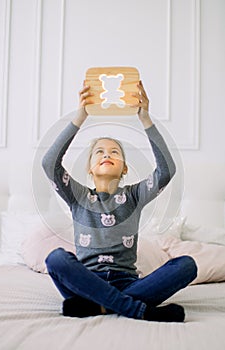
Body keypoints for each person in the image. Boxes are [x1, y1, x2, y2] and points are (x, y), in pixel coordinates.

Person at [42, 80, 197, 322]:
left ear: (124, 168)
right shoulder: (78, 195)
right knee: (56, 259)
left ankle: (100, 306)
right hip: (85, 280)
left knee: (187, 265)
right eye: (100, 152)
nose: (107, 155)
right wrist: (79, 117)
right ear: (90, 168)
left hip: (125, 281)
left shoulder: (134, 196)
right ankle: (137, 310)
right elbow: (49, 163)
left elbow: (165, 171)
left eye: (115, 152)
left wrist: (145, 119)